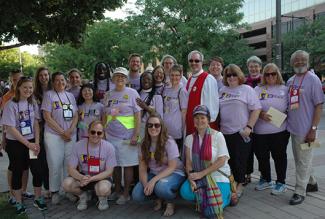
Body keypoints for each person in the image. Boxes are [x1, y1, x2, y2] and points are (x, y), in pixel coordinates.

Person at [1, 76, 47, 214]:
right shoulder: (10, 105)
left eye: (30, 87)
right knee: (17, 171)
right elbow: (11, 128)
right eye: (25, 87)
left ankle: (38, 198)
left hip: (32, 143)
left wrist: (36, 142)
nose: (28, 90)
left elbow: (35, 123)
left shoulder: (32, 103)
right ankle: (18, 201)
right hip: (16, 144)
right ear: (18, 88)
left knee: (37, 170)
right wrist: (28, 144)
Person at [286, 50, 324, 205]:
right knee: (301, 159)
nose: (299, 62)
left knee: (303, 161)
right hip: (293, 128)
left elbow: (319, 106)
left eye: (302, 60)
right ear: (292, 63)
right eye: (296, 60)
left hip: (307, 130)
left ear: (307, 62)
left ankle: (300, 191)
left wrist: (313, 129)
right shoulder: (290, 81)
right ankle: (312, 182)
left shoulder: (313, 80)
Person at [180, 105, 231, 219]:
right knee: (185, 192)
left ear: (208, 119)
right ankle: (205, 199)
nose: (199, 121)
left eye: (202, 117)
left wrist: (201, 174)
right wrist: (190, 177)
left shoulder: (218, 136)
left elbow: (222, 160)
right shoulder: (190, 138)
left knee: (214, 209)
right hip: (198, 176)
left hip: (218, 176)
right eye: (196, 118)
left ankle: (226, 197)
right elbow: (188, 162)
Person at [219, 64, 261, 197]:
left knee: (240, 160)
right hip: (224, 132)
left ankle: (240, 184)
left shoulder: (246, 89)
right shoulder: (222, 90)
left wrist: (249, 127)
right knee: (229, 160)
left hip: (240, 132)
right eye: (228, 75)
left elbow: (256, 108)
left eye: (234, 74)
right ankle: (232, 182)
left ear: (239, 75)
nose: (231, 77)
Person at [132, 113, 185, 217]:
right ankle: (158, 197)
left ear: (161, 127)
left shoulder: (169, 141)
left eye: (157, 125)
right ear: (146, 127)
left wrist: (153, 181)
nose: (153, 128)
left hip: (174, 172)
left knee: (161, 187)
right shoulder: (143, 144)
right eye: (150, 125)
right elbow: (142, 169)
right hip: (155, 173)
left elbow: (172, 167)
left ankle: (170, 201)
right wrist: (146, 184)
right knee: (137, 195)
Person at [103, 67, 141, 205]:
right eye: (117, 76)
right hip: (111, 135)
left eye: (123, 76)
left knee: (128, 164)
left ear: (126, 79)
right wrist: (103, 133)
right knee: (116, 165)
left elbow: (138, 114)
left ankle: (126, 194)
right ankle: (117, 190)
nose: (120, 78)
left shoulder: (132, 93)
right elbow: (104, 114)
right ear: (113, 79)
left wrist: (136, 134)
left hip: (127, 136)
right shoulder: (108, 94)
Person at [41, 72, 78, 204]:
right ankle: (55, 191)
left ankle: (67, 190)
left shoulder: (70, 96)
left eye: (62, 80)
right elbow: (47, 117)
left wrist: (70, 130)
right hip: (54, 136)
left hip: (70, 136)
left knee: (68, 164)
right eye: (56, 80)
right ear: (53, 82)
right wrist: (62, 132)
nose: (60, 82)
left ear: (66, 81)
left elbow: (76, 115)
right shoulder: (49, 95)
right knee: (55, 164)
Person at [62, 121, 116, 211]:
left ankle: (102, 199)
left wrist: (91, 179)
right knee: (66, 184)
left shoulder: (109, 147)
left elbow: (109, 171)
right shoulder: (78, 145)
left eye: (99, 133)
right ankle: (83, 197)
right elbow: (71, 169)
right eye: (93, 132)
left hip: (101, 177)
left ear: (103, 134)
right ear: (88, 132)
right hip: (84, 176)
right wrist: (81, 177)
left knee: (103, 189)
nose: (95, 135)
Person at [253, 63, 290, 194]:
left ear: (277, 74)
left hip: (279, 132)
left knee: (279, 157)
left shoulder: (284, 89)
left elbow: (291, 108)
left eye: (273, 73)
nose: (270, 76)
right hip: (259, 132)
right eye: (267, 74)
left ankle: (281, 182)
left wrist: (287, 116)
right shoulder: (257, 89)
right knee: (262, 157)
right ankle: (267, 179)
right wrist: (260, 114)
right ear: (263, 75)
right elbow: (251, 108)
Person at [0, 69, 33, 205]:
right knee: (15, 168)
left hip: (29, 140)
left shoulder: (31, 100)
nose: (17, 82)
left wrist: (33, 142)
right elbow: (6, 123)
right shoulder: (8, 99)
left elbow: (35, 121)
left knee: (26, 167)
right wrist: (3, 138)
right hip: (15, 140)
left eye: (20, 79)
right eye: (15, 80)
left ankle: (23, 191)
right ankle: (14, 194)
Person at [185, 50, 219, 135]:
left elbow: (212, 105)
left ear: (202, 62)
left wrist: (208, 125)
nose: (193, 63)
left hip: (204, 127)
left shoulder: (208, 78)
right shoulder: (189, 80)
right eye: (191, 61)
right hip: (191, 124)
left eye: (197, 61)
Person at [34, 67, 52, 198]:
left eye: (46, 75)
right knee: (39, 161)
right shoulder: (33, 93)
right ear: (37, 77)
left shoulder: (54, 91)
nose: (44, 77)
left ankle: (52, 186)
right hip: (36, 132)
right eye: (41, 75)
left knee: (51, 160)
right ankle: (44, 188)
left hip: (52, 130)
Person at [245, 55, 263, 185]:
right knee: (248, 151)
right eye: (251, 66)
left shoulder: (266, 79)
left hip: (262, 123)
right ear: (248, 68)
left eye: (256, 66)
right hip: (248, 121)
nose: (254, 68)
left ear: (260, 67)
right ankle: (248, 174)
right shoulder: (244, 82)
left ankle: (264, 174)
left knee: (261, 151)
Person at [162, 65, 188, 153]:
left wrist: (183, 129)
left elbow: (184, 111)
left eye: (177, 75)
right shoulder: (166, 89)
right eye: (172, 75)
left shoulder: (182, 91)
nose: (174, 77)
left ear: (181, 76)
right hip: (165, 129)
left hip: (176, 130)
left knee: (175, 156)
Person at [136, 71, 164, 138]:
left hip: (151, 127)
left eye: (149, 79)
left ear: (153, 81)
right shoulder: (135, 94)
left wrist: (146, 107)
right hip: (136, 127)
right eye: (144, 78)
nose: (146, 80)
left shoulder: (157, 96)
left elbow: (159, 116)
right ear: (140, 80)